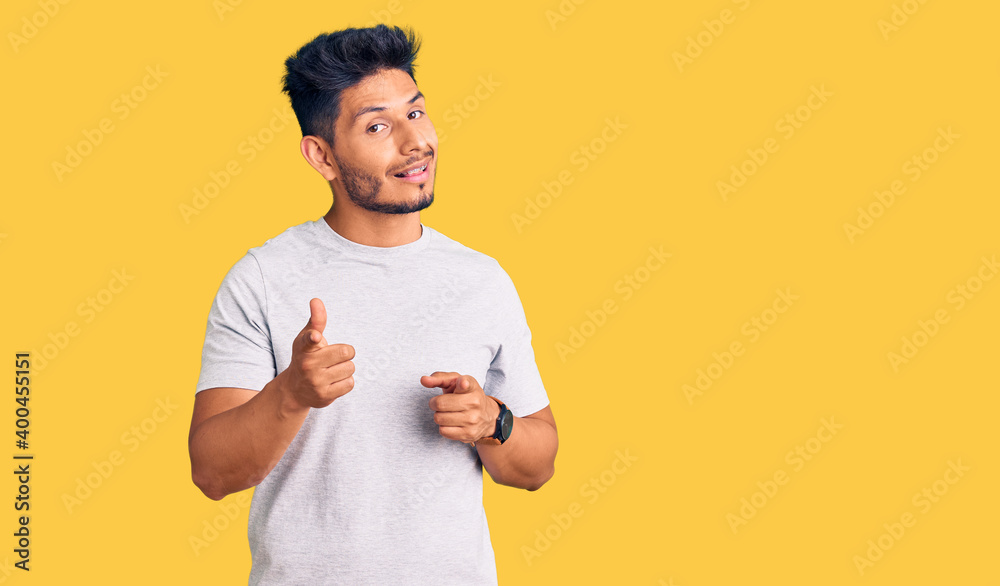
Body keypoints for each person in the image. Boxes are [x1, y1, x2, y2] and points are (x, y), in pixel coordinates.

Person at [187, 24, 558, 585]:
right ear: (322, 156)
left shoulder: (482, 280)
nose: (415, 142)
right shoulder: (262, 279)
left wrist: (493, 421)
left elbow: (538, 467)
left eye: (416, 112)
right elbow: (212, 473)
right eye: (378, 126)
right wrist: (291, 393)